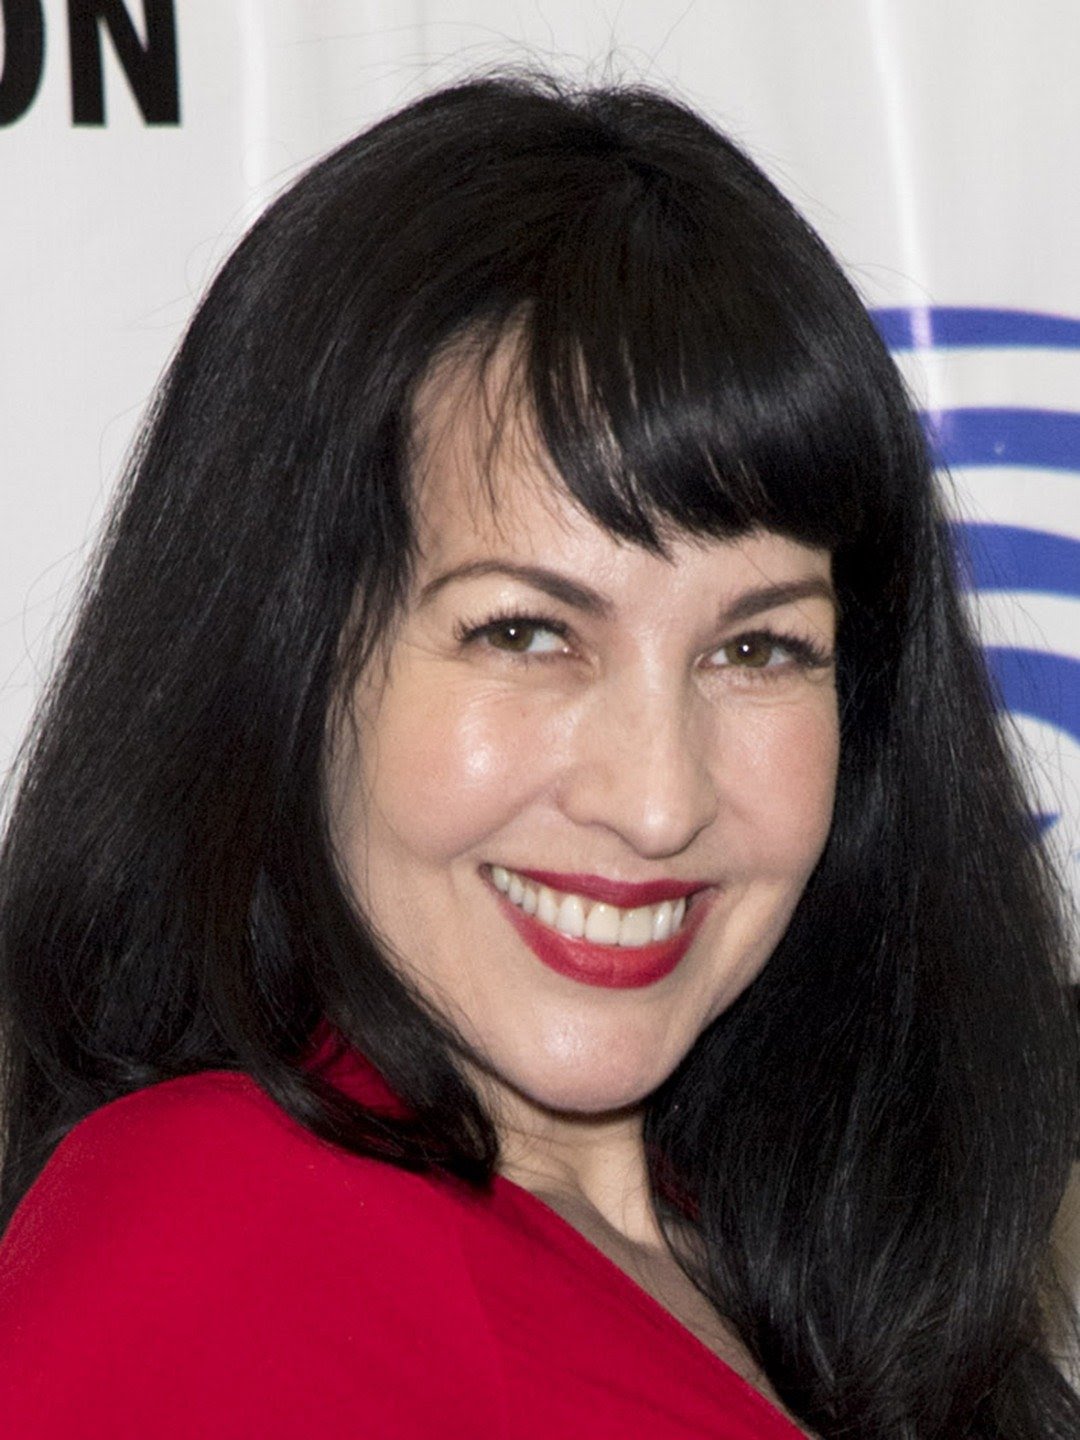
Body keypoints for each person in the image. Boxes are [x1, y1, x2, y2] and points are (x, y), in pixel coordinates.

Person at [0, 73, 1076, 1439]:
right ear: (287, 664)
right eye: (525, 633)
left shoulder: (817, 1268)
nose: (658, 799)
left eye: (758, 648)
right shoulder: (218, 1236)